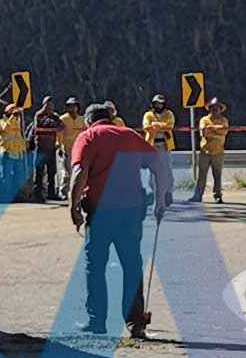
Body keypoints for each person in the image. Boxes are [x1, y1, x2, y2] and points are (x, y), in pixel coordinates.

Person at [64, 100, 169, 341]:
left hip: (100, 214)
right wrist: (161, 199)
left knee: (96, 267)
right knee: (132, 266)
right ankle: (135, 324)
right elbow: (159, 166)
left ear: (88, 122)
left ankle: (97, 321)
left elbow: (79, 173)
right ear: (110, 119)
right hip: (131, 213)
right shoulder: (130, 135)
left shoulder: (88, 137)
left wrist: (74, 209)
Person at [193, 99, 231, 204]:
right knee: (202, 175)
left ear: (220, 109)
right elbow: (204, 132)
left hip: (219, 152)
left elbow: (224, 131)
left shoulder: (224, 120)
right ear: (209, 109)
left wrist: (212, 129)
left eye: (217, 108)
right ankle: (198, 195)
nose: (215, 110)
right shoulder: (204, 120)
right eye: (213, 108)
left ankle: (218, 195)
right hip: (205, 151)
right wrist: (217, 131)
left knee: (218, 175)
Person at [26, 101, 64, 203]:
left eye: (52, 105)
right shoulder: (39, 114)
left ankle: (51, 194)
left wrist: (53, 124)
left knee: (52, 172)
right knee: (39, 172)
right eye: (48, 105)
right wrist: (52, 126)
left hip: (51, 148)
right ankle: (38, 195)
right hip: (40, 147)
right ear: (44, 105)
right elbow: (38, 128)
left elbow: (61, 127)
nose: (50, 107)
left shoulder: (55, 116)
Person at [0, 102, 32, 201]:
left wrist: (24, 147)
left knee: (18, 177)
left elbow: (18, 137)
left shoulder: (17, 123)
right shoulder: (1, 122)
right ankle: (5, 197)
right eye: (13, 113)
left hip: (17, 153)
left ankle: (16, 196)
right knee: (6, 177)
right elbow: (6, 128)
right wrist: (13, 117)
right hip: (7, 152)